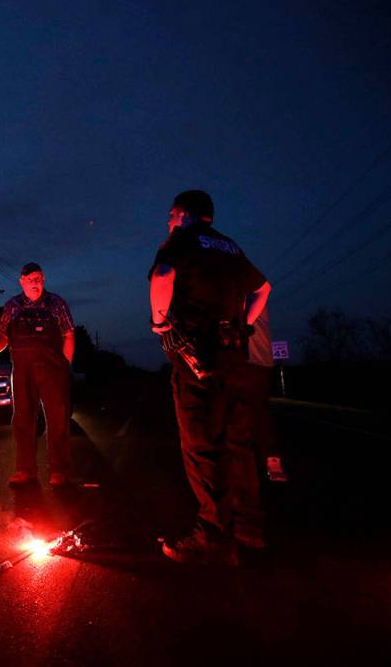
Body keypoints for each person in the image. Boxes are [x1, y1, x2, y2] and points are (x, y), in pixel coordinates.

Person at [148, 190, 272, 564]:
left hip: (195, 356)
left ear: (183, 214)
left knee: (202, 445)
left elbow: (163, 275)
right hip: (235, 357)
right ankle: (249, 528)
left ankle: (212, 534)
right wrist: (242, 323)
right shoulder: (231, 247)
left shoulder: (179, 241)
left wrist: (159, 321)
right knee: (238, 442)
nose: (169, 220)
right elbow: (264, 288)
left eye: (171, 214)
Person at [0, 262, 76, 487]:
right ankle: (25, 471)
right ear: (22, 281)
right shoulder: (13, 306)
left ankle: (59, 472)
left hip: (53, 370)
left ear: (43, 279)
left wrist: (65, 366)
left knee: (58, 420)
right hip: (22, 372)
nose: (35, 282)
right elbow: (3, 335)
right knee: (23, 419)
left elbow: (69, 335)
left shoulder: (56, 304)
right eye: (30, 279)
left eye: (39, 278)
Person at [245, 307, 289, 483]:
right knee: (260, 414)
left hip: (249, 361)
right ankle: (270, 464)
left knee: (255, 414)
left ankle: (268, 463)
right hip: (260, 361)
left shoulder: (242, 293)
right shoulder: (256, 292)